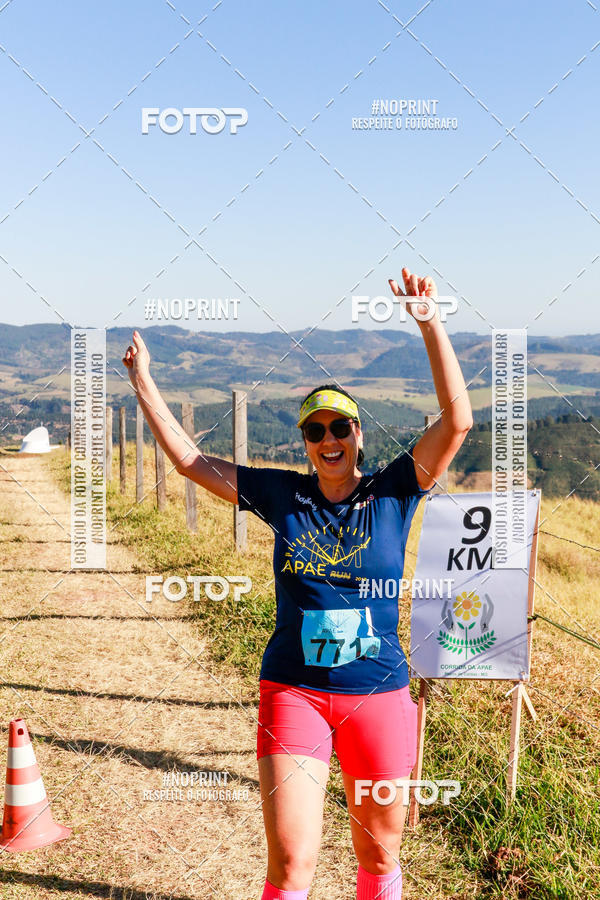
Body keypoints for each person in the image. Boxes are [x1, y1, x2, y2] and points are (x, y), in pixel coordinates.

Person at [123, 267, 473, 900]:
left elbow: (458, 422)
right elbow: (189, 461)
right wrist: (142, 380)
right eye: (315, 431)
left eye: (340, 427)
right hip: (295, 691)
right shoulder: (282, 494)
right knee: (291, 865)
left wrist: (429, 324)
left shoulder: (395, 490)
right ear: (306, 443)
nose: (328, 439)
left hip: (379, 693)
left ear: (358, 434)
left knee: (380, 856)